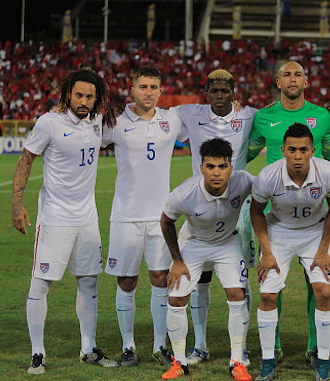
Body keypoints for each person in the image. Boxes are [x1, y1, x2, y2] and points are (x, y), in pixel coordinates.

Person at [11, 67, 117, 374]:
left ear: (97, 99)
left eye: (90, 96)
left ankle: (88, 348)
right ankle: (37, 353)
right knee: (41, 282)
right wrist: (17, 204)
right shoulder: (49, 122)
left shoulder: (97, 122)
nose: (84, 101)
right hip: (55, 217)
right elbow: (26, 160)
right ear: (68, 94)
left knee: (88, 281)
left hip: (87, 218)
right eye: (79, 95)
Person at [248, 60, 330, 363]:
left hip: (313, 207)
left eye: (297, 73)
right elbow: (244, 153)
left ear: (306, 80)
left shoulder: (322, 116)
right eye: (286, 74)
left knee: (318, 283)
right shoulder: (263, 117)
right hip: (278, 209)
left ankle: (315, 346)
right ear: (278, 82)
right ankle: (271, 346)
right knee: (273, 282)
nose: (292, 78)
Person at [170, 69, 257, 367]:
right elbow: (152, 113)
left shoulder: (250, 116)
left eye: (225, 91)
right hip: (199, 210)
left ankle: (240, 349)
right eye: (214, 91)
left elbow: (276, 120)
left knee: (241, 286)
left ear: (234, 93)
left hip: (237, 211)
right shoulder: (189, 113)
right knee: (199, 281)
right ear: (206, 92)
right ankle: (200, 345)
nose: (220, 95)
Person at [102, 67, 187, 367]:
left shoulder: (172, 119)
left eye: (153, 87)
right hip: (125, 216)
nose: (148, 92)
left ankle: (159, 346)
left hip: (160, 218)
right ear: (133, 89)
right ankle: (128, 347)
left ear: (160, 90)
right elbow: (87, 137)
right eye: (143, 86)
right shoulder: (114, 121)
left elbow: (204, 121)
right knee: (126, 281)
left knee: (160, 280)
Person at [159, 138, 254, 381]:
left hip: (228, 243)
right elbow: (166, 221)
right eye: (210, 166)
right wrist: (177, 260)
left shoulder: (244, 181)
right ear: (201, 167)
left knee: (237, 294)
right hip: (194, 243)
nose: (216, 172)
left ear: (231, 168)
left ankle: (237, 361)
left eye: (222, 166)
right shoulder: (184, 194)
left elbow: (269, 190)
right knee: (177, 297)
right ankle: (179, 362)